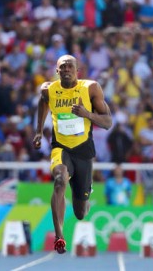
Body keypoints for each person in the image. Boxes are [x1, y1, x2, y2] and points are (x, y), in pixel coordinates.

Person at [33, 55, 112, 254]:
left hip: (84, 151)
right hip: (61, 147)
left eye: (70, 66)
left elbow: (107, 122)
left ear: (77, 70)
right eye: (62, 67)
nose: (66, 69)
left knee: (80, 213)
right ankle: (59, 236)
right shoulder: (48, 89)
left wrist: (87, 114)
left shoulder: (91, 88)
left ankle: (86, 192)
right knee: (60, 181)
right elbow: (43, 103)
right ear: (57, 71)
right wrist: (38, 131)